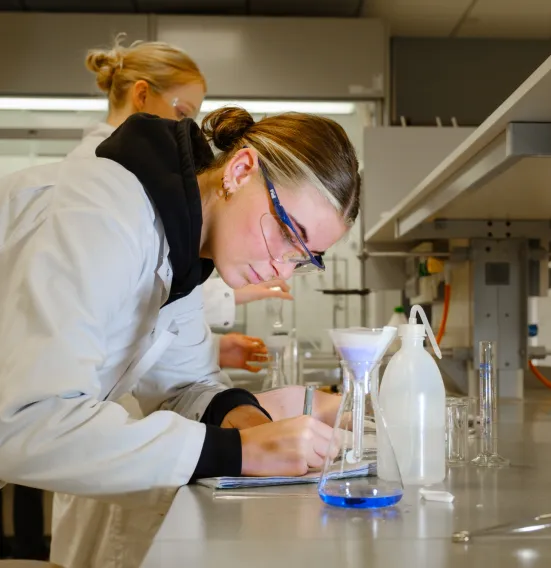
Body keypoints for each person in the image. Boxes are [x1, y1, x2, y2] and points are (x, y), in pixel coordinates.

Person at [0, 91, 358, 568]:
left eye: (302, 258)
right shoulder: (106, 213)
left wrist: (244, 419)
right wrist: (236, 452)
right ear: (240, 170)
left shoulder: (184, 252)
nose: (282, 269)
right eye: (287, 234)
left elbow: (181, 386)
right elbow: (25, 418)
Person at [68, 35, 294, 372]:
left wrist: (211, 348)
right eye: (182, 111)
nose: (184, 128)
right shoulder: (101, 181)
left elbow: (147, 293)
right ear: (142, 95)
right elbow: (123, 300)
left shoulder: (144, 183)